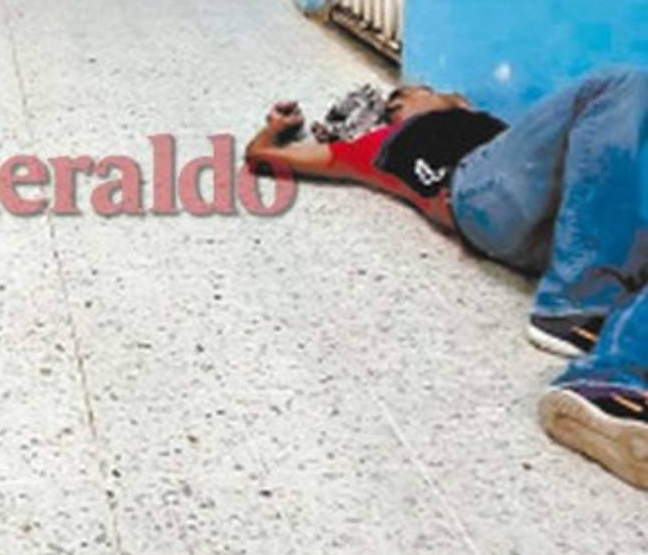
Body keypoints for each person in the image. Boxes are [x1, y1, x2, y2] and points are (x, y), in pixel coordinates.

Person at [244, 67, 648, 489]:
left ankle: (616, 381)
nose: (419, 94)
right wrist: (277, 129)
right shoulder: (371, 146)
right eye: (405, 97)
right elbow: (261, 157)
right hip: (476, 193)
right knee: (621, 84)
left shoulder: (504, 133)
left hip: (565, 233)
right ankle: (573, 308)